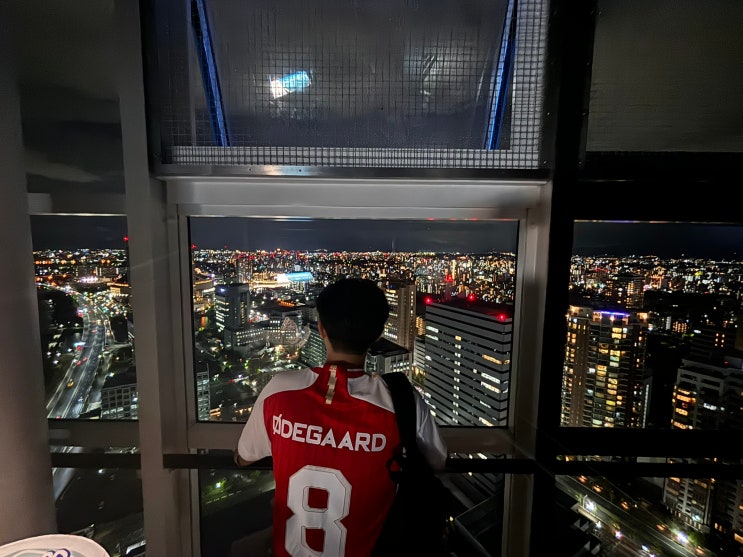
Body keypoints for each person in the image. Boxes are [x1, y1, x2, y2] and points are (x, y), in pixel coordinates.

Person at [233, 277, 448, 557]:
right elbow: (437, 461)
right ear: (378, 334)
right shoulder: (401, 402)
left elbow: (243, 457)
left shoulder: (280, 390)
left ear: (321, 329)